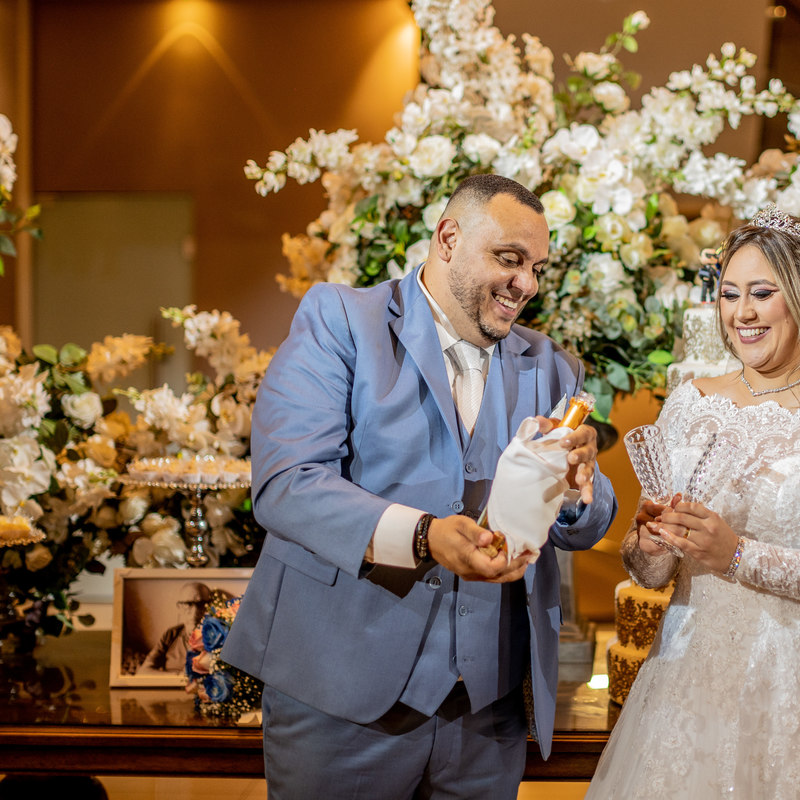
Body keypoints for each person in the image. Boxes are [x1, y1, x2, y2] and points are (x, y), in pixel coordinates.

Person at [221, 174, 617, 799]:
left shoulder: (553, 366)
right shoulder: (342, 320)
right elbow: (287, 483)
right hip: (341, 697)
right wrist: (426, 537)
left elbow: (592, 520)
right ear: (449, 237)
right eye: (509, 260)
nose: (527, 285)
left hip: (487, 716)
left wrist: (574, 489)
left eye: (537, 267)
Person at [587, 205, 800, 798]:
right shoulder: (692, 401)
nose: (741, 314)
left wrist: (737, 555)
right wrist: (649, 543)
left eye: (761, 293)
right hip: (691, 679)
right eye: (728, 294)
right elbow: (650, 571)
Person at [137, 580, 212, 673]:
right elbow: (144, 671)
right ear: (179, 607)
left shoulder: (217, 637)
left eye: (201, 605)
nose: (195, 612)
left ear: (209, 607)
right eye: (188, 604)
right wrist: (178, 677)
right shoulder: (171, 634)